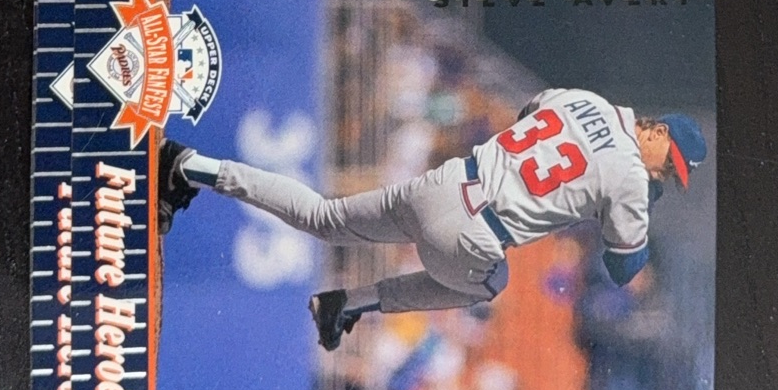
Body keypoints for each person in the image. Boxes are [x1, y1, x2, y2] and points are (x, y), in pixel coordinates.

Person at [157, 92, 708, 351]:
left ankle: (191, 165)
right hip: (474, 234)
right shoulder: (631, 176)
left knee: (324, 216)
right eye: (671, 166)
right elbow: (624, 267)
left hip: (446, 183)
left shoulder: (588, 100)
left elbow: (529, 111)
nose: (665, 174)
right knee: (493, 284)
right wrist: (641, 197)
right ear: (658, 132)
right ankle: (347, 303)